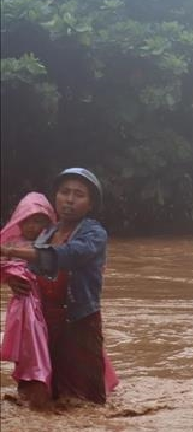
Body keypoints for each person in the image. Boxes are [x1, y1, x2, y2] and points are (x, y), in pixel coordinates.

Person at [0, 168, 118, 404]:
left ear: (91, 204)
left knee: (83, 400)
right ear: (56, 197)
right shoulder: (47, 232)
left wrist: (11, 251)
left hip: (79, 322)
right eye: (65, 192)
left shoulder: (94, 234)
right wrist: (14, 280)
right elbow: (32, 271)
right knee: (45, 396)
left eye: (79, 194)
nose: (70, 199)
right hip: (45, 323)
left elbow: (66, 255)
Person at [0, 192, 56, 408]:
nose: (33, 227)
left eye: (39, 221)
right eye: (28, 221)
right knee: (29, 346)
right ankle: (31, 390)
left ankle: (42, 390)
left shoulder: (53, 246)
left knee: (50, 348)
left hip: (51, 306)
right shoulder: (12, 245)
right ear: (19, 222)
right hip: (24, 306)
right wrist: (11, 277)